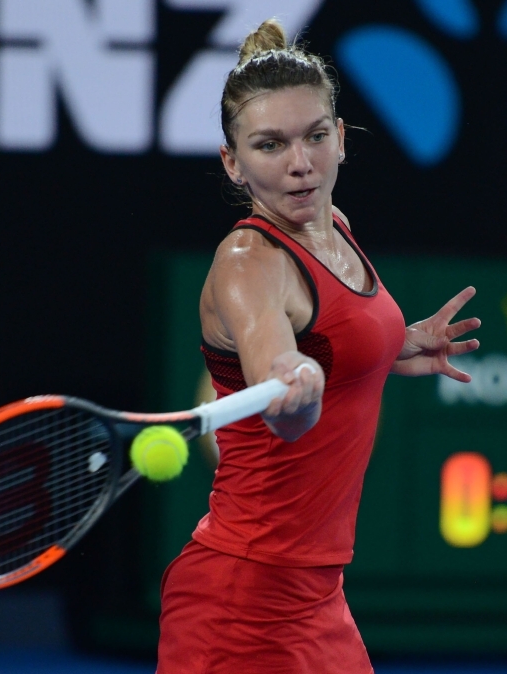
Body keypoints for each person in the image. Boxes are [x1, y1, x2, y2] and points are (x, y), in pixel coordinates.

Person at [157, 19, 480, 674]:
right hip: (242, 600)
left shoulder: (334, 227)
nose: (299, 163)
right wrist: (292, 384)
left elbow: (339, 340)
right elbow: (286, 411)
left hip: (317, 595)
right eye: (270, 145)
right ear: (233, 162)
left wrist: (397, 345)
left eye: (314, 136)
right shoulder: (250, 261)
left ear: (340, 137)